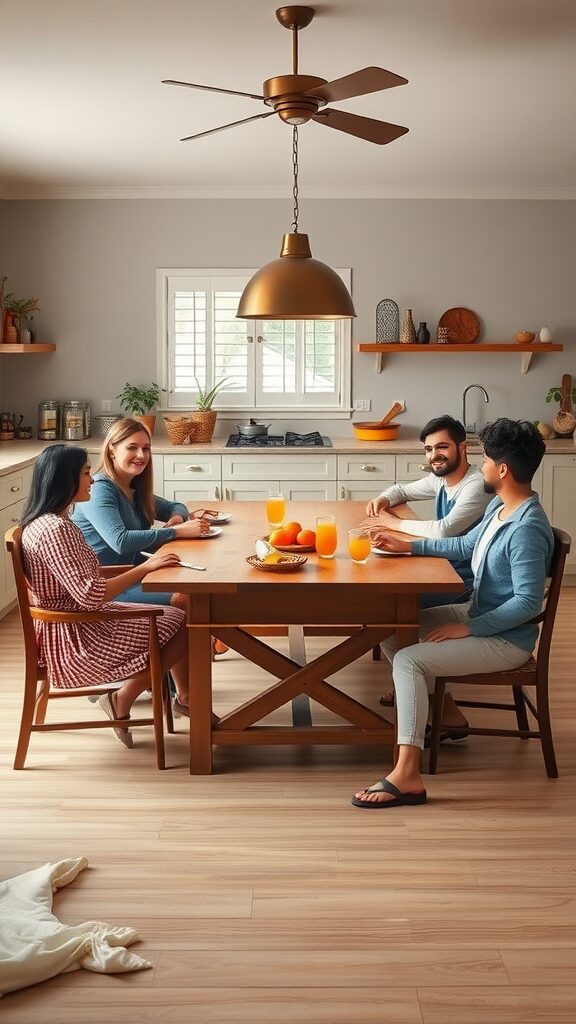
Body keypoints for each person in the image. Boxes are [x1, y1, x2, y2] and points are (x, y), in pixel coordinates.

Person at [352, 418, 553, 809]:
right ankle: (442, 715)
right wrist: (405, 547)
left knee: (409, 660)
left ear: (503, 469)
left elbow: (529, 603)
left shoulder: (526, 527)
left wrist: (469, 628)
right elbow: (463, 545)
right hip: (480, 616)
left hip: (505, 639)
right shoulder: (502, 505)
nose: (481, 467)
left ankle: (408, 773)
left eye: (486, 460)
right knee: (395, 630)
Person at [20, 445, 193, 748]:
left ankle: (170, 697)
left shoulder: (52, 523)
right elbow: (90, 594)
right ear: (66, 480)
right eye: (86, 474)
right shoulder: (55, 530)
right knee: (185, 620)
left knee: (182, 613)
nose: (91, 480)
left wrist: (149, 566)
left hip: (76, 623)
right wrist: (146, 568)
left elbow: (84, 584)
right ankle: (123, 698)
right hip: (77, 637)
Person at [71, 417, 228, 656]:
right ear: (112, 451)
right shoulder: (102, 489)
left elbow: (177, 506)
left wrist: (176, 519)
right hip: (109, 586)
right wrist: (176, 531)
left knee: (204, 588)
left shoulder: (132, 488)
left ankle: (186, 674)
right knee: (190, 599)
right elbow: (120, 541)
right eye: (132, 448)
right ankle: (185, 681)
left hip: (136, 574)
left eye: (146, 448)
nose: (141, 455)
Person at [365, 414, 491, 608]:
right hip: (441, 567)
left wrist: (393, 523)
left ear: (462, 448)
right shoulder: (441, 479)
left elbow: (443, 530)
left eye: (442, 447)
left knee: (386, 601)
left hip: (465, 583)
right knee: (378, 586)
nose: (433, 456)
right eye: (428, 449)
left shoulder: (476, 484)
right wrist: (383, 499)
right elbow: (401, 490)